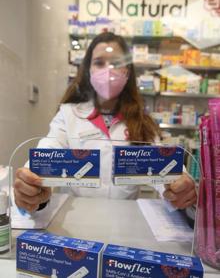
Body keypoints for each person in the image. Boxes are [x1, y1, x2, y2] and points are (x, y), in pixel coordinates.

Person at [14, 32, 197, 213]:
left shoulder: (140, 120)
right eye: (99, 63)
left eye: (116, 63)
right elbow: (50, 146)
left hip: (124, 224)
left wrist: (178, 183)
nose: (108, 70)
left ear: (127, 71)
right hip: (77, 222)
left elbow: (162, 161)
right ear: (88, 70)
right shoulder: (69, 114)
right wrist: (32, 181)